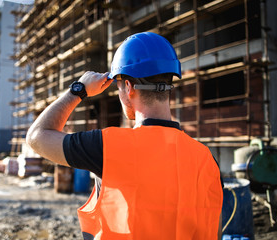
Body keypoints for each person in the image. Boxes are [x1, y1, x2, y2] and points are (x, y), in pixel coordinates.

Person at [26, 32, 223, 240]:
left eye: (118, 86)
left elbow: (37, 137)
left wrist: (78, 90)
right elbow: (215, 230)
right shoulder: (206, 160)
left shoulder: (107, 146)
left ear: (128, 88)